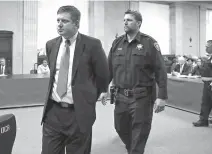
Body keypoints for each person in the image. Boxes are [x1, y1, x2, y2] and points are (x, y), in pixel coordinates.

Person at [40, 5, 109, 154]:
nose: (59, 24)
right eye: (58, 20)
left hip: (78, 115)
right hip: (53, 112)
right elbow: (54, 75)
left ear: (76, 24)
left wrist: (88, 99)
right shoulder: (51, 45)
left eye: (64, 21)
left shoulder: (92, 45)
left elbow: (103, 75)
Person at [100, 9, 168, 154]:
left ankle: (135, 150)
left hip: (141, 97)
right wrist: (103, 88)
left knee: (140, 131)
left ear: (138, 23)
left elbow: (161, 71)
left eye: (129, 20)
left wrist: (161, 97)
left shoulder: (149, 43)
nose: (125, 22)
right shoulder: (117, 43)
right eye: (124, 20)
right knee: (120, 127)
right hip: (120, 96)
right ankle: (132, 148)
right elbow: (109, 69)